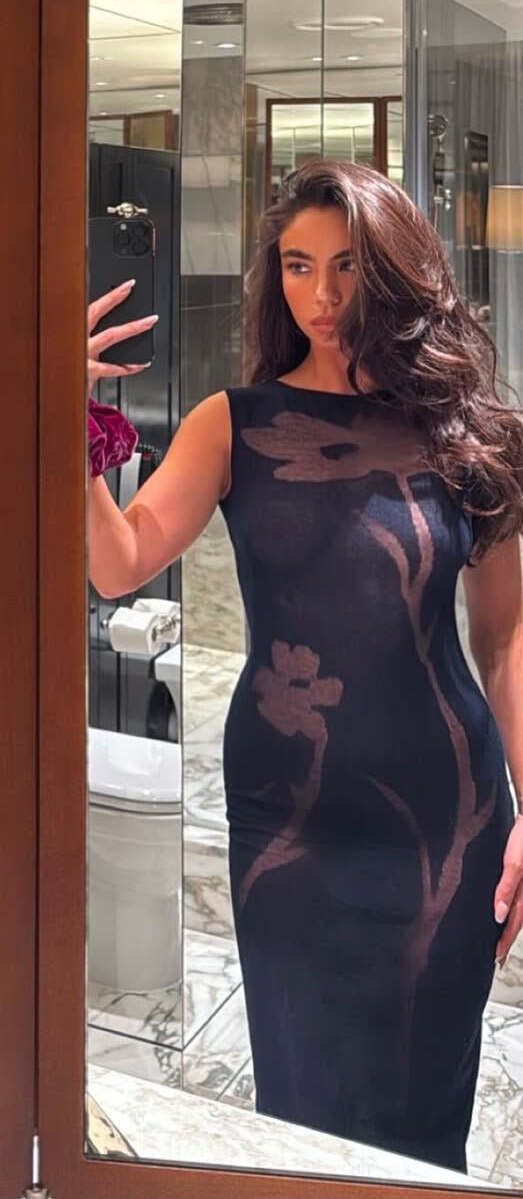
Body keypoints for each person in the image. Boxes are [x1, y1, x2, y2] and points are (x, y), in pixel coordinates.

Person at [86, 160, 523, 1172]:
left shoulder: (468, 434)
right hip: (290, 820)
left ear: (395, 270)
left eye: (346, 266)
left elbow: (504, 639)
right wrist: (69, 425)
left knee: (420, 1127)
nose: (320, 294)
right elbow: (117, 562)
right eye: (296, 265)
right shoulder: (232, 423)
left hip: (447, 821)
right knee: (300, 1118)